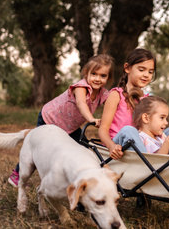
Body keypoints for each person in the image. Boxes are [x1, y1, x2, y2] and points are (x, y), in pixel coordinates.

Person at [8, 54, 114, 187]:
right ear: (86, 73)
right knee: (39, 148)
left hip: (70, 127)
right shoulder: (81, 87)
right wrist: (91, 119)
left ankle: (83, 177)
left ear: (108, 78)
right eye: (94, 74)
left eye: (103, 76)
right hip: (51, 118)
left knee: (85, 148)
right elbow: (82, 104)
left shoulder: (103, 93)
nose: (97, 79)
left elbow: (114, 104)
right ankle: (17, 174)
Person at [98, 48, 169, 160]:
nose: (146, 75)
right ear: (127, 68)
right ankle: (149, 166)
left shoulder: (147, 99)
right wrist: (112, 146)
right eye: (141, 70)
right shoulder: (116, 95)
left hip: (144, 145)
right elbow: (103, 130)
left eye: (150, 72)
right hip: (120, 147)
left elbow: (153, 129)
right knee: (129, 130)